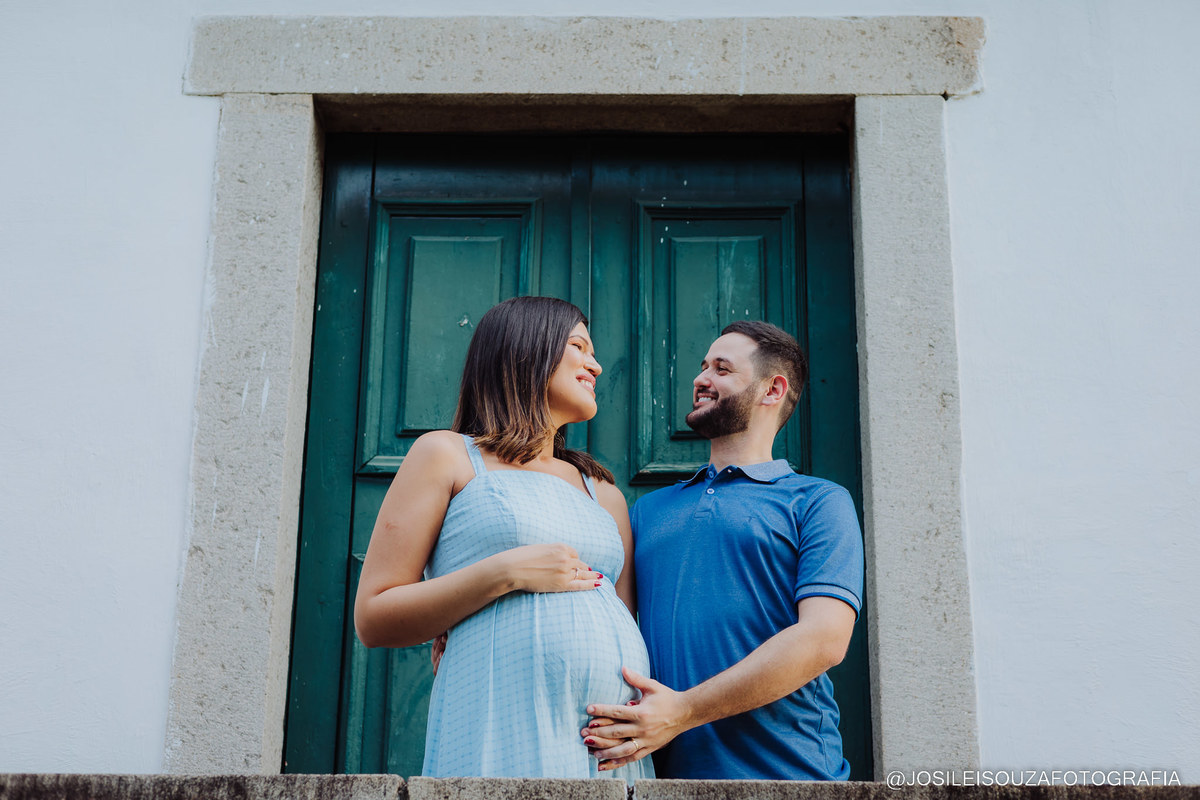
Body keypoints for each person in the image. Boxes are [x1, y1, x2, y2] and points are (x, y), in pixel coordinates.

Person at [354, 296, 654, 781]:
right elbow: (373, 617)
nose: (596, 365)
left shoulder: (604, 494)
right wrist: (504, 574)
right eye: (580, 346)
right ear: (526, 351)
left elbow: (623, 618)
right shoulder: (446, 456)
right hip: (497, 722)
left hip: (606, 744)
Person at [582, 321, 864, 780]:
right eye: (702, 366)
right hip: (657, 778)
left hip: (792, 776)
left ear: (772, 389)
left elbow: (824, 640)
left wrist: (681, 712)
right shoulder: (648, 510)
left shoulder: (818, 501)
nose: (700, 378)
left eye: (721, 368)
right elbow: (608, 622)